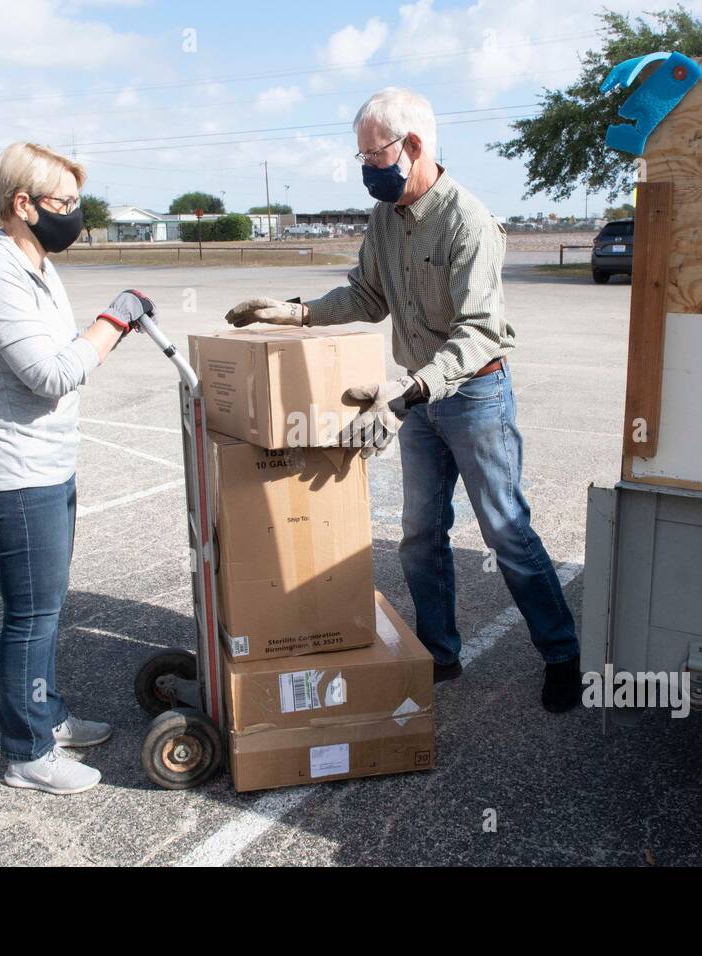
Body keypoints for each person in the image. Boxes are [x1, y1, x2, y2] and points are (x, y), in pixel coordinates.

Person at [225, 88, 581, 713]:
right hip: (415, 398)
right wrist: (296, 312)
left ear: (413, 147)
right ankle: (440, 654)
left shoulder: (467, 222)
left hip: (473, 396)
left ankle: (561, 655)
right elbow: (366, 295)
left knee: (505, 530)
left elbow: (479, 332)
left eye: (374, 156)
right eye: (361, 158)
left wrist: (406, 388)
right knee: (420, 534)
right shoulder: (385, 220)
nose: (368, 171)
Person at [0, 142, 156, 794]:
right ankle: (28, 755)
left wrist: (97, 331)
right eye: (63, 204)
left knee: (46, 607)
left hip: (47, 465)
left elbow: (66, 355)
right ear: (22, 204)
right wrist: (114, 319)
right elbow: (51, 373)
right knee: (31, 616)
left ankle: (47, 716)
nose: (73, 215)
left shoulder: (37, 266)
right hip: (14, 475)